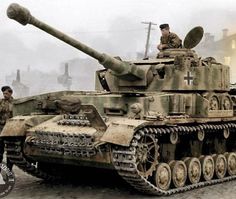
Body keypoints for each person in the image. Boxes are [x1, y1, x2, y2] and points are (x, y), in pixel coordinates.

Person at [0, 86, 13, 171]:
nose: (5, 95)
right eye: (3, 93)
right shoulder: (1, 102)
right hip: (1, 128)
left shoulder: (15, 103)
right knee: (0, 151)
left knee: (10, 151)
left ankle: (9, 170)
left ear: (11, 93)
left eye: (6, 93)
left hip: (10, 129)